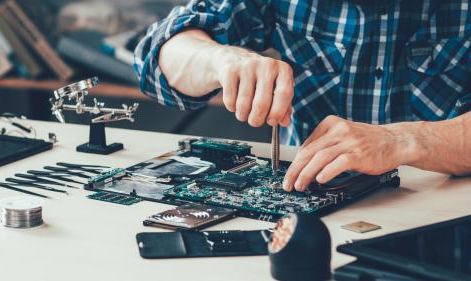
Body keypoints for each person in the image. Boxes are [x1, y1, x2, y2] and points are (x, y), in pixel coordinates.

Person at [134, 0, 470, 192]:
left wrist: (404, 140)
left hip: (443, 218)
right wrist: (221, 59)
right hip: (310, 209)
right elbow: (156, 57)